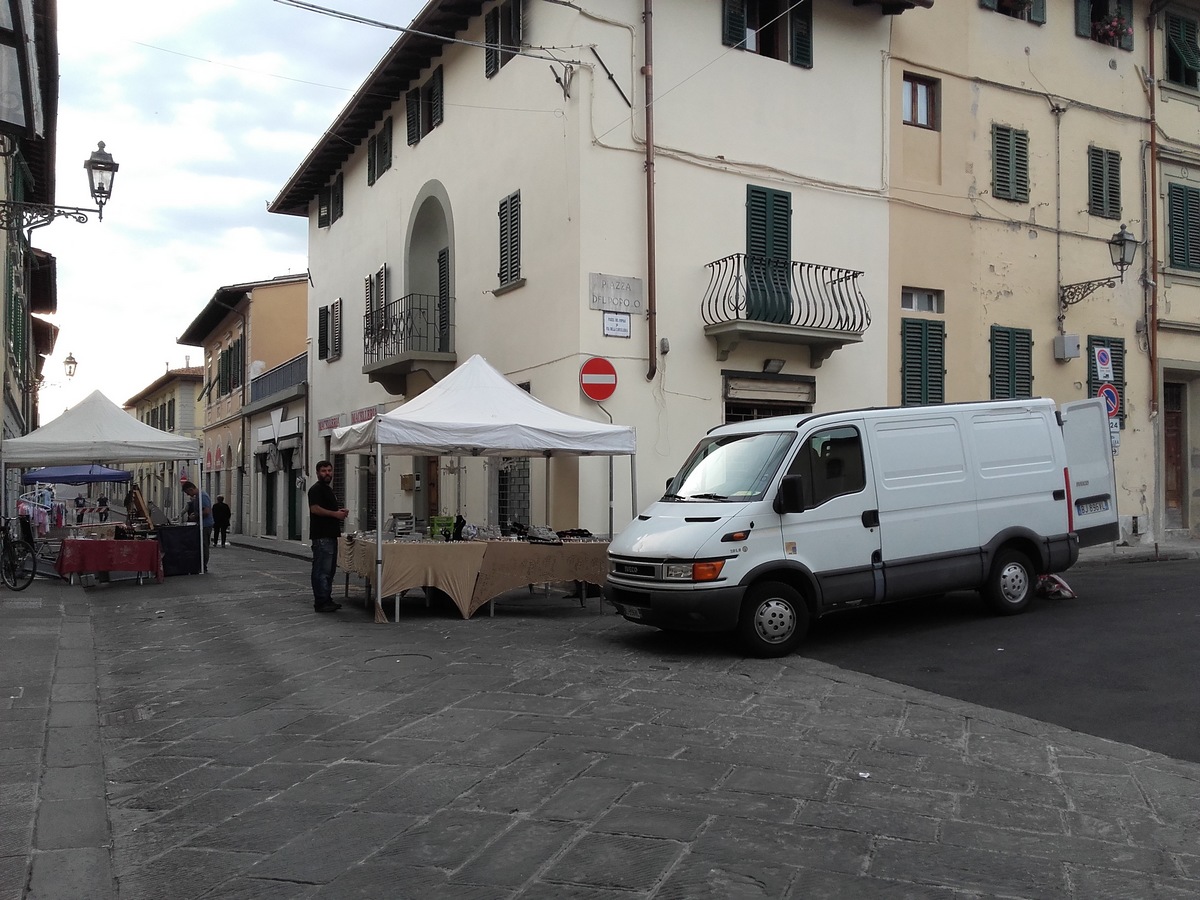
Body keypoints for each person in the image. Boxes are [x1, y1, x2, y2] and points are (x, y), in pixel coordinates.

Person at [308, 460, 348, 613]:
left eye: (329, 470)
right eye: (324, 471)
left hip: (330, 535)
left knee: (329, 570)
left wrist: (339, 511)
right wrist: (335, 514)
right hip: (322, 535)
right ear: (318, 472)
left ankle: (326, 598)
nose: (327, 473)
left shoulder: (327, 489)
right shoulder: (316, 489)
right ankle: (321, 601)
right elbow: (315, 509)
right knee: (322, 570)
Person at [181, 481, 213, 572]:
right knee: (201, 545)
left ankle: (203, 566)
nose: (188, 495)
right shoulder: (199, 496)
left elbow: (207, 511)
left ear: (191, 489)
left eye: (188, 493)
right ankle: (201, 565)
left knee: (204, 545)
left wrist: (196, 516)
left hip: (205, 525)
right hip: (202, 524)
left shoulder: (203, 496)